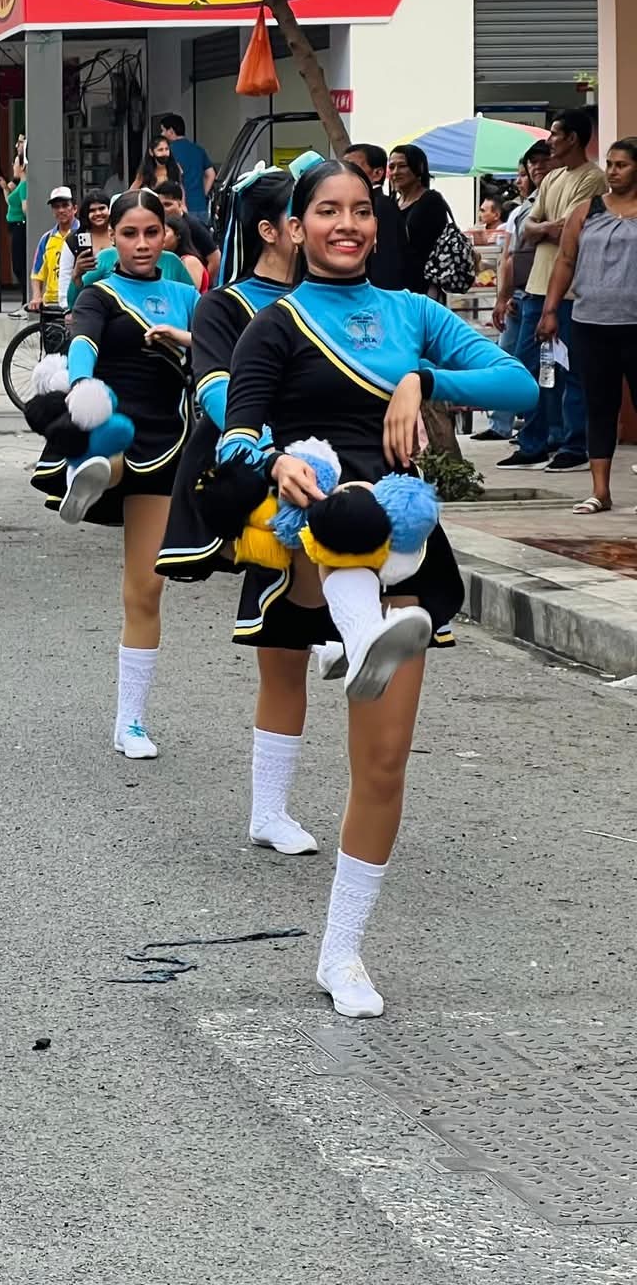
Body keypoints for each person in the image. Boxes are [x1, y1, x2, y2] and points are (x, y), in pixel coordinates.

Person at [214, 159, 536, 1017]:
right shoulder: (275, 324)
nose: (347, 224)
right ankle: (348, 639)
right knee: (343, 515)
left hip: (407, 537)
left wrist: (423, 379)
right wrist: (274, 463)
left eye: (361, 210)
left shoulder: (410, 313)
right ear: (296, 226)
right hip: (316, 530)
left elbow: (520, 385)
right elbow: (235, 437)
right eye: (328, 210)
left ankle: (341, 952)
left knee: (385, 762)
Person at [153, 165, 316, 852]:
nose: (333, 225)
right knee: (284, 650)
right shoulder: (223, 306)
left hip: (345, 476)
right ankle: (268, 810)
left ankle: (349, 629)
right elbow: (218, 391)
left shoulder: (343, 300)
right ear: (274, 230)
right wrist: (274, 452)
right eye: (312, 212)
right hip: (272, 476)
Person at [28, 189, 197, 760]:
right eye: (130, 234)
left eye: (152, 232)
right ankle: (89, 467)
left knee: (146, 588)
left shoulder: (186, 295)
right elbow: (82, 343)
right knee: (110, 431)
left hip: (169, 436)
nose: (142, 244)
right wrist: (82, 386)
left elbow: (219, 352)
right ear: (113, 238)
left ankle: (131, 722)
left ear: (166, 235)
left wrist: (184, 338)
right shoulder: (99, 293)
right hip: (111, 416)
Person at [504, 108, 606, 473]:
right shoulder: (552, 178)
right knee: (528, 366)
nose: (550, 141)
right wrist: (548, 227)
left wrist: (544, 228)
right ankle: (533, 443)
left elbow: (571, 230)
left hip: (573, 291)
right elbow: (528, 227)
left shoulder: (593, 179)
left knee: (570, 369)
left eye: (555, 134)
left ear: (573, 138)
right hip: (536, 287)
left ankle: (573, 444)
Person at [539, 138, 637, 515]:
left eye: (621, 165)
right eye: (609, 164)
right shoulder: (587, 211)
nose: (612, 171)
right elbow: (565, 261)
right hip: (591, 322)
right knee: (599, 406)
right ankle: (600, 491)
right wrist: (550, 310)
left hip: (634, 323)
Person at [481, 143, 551, 441]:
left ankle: (540, 431)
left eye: (539, 163)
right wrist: (503, 296)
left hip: (543, 292)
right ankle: (501, 423)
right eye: (525, 170)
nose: (529, 174)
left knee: (537, 363)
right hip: (519, 293)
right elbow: (508, 256)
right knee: (506, 356)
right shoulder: (521, 211)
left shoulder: (547, 202)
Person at [384, 143, 452, 300]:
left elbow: (438, 249)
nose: (395, 172)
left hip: (424, 289)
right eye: (392, 167)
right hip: (396, 288)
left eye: (402, 166)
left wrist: (433, 290)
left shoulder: (431, 200)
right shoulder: (393, 203)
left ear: (419, 168)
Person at [342, 144, 408, 291]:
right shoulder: (366, 205)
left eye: (352, 167)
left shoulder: (380, 207)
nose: (344, 173)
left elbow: (386, 261)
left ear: (377, 173)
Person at [26, 186, 80, 313]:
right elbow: (37, 273)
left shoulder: (84, 234)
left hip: (77, 299)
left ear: (74, 208)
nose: (61, 210)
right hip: (51, 302)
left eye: (65, 205)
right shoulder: (46, 239)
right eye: (56, 207)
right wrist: (36, 296)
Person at [153, 180, 218, 275]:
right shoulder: (158, 223)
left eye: (167, 204)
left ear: (179, 204)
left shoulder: (194, 225)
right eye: (160, 205)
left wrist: (205, 281)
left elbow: (215, 257)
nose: (163, 209)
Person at [156, 113, 213, 218]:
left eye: (163, 130)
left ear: (171, 131)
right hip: (200, 207)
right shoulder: (198, 149)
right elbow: (211, 174)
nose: (162, 134)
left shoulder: (167, 152)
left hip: (179, 208)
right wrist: (202, 195)